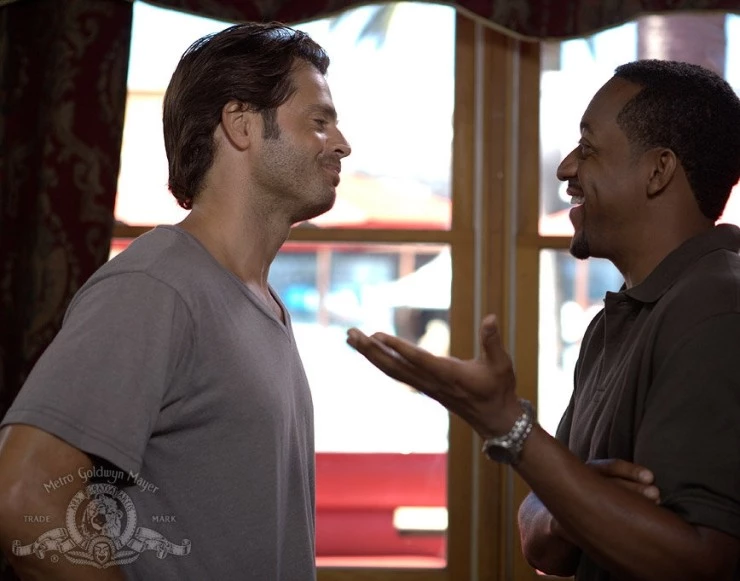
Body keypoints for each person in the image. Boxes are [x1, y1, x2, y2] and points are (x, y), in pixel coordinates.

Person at [347, 59, 740, 581]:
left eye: (588, 148)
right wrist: (581, 500)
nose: (566, 169)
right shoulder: (617, 320)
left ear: (658, 171)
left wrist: (507, 424)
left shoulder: (717, 309)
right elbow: (542, 546)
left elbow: (702, 563)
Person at [0, 22, 350, 581]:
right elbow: (23, 496)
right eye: (319, 121)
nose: (341, 143)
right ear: (241, 124)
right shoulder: (155, 286)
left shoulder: (261, 301)